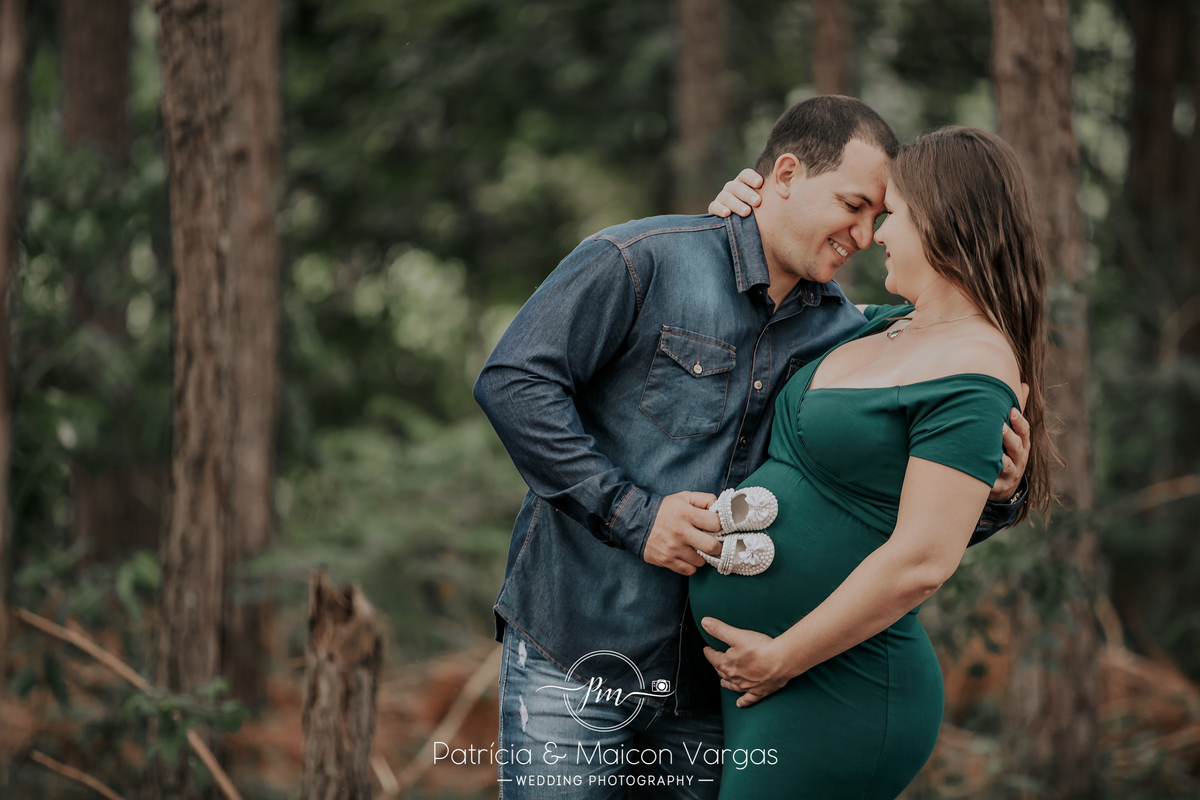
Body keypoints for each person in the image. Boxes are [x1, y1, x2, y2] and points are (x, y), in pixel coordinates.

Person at [473, 97, 1031, 799]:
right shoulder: (644, 260)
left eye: (879, 215)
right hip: (581, 652)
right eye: (853, 206)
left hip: (714, 687)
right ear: (786, 175)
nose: (866, 235)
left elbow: (883, 498)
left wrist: (999, 497)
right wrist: (633, 516)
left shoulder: (847, 332)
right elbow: (515, 382)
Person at [688, 125, 1055, 798]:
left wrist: (781, 657)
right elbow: (763, 306)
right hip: (760, 679)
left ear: (944, 224)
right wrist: (742, 221)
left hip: (837, 686)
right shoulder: (879, 325)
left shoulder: (975, 369)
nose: (876, 234)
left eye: (894, 215)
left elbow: (922, 560)